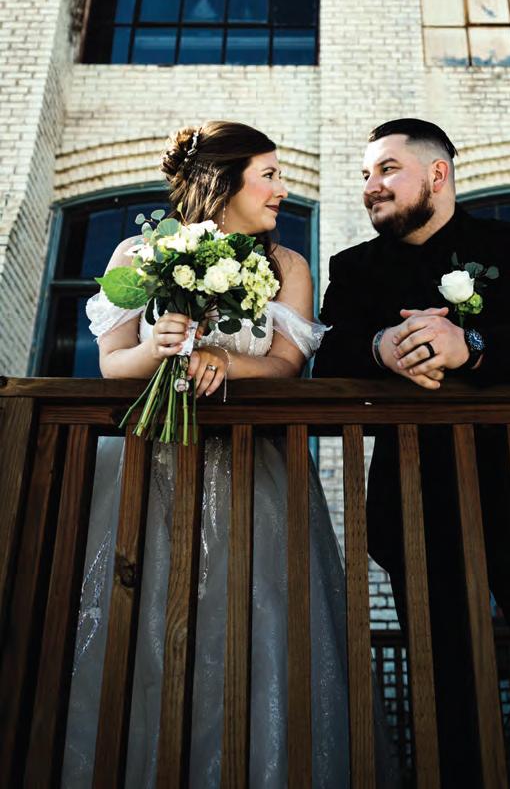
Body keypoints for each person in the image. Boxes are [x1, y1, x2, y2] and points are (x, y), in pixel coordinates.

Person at [63, 121, 379, 788]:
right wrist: (159, 347)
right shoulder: (137, 253)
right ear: (223, 182)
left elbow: (287, 365)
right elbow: (113, 363)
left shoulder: (286, 266)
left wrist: (224, 361)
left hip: (254, 477)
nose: (282, 189)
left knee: (256, 626)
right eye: (269, 175)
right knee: (141, 627)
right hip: (148, 471)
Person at [312, 119, 510, 786]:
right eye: (364, 175)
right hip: (417, 507)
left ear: (437, 174)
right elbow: (329, 357)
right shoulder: (354, 268)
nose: (370, 186)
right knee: (445, 685)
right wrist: (381, 347)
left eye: (387, 169)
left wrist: (469, 347)